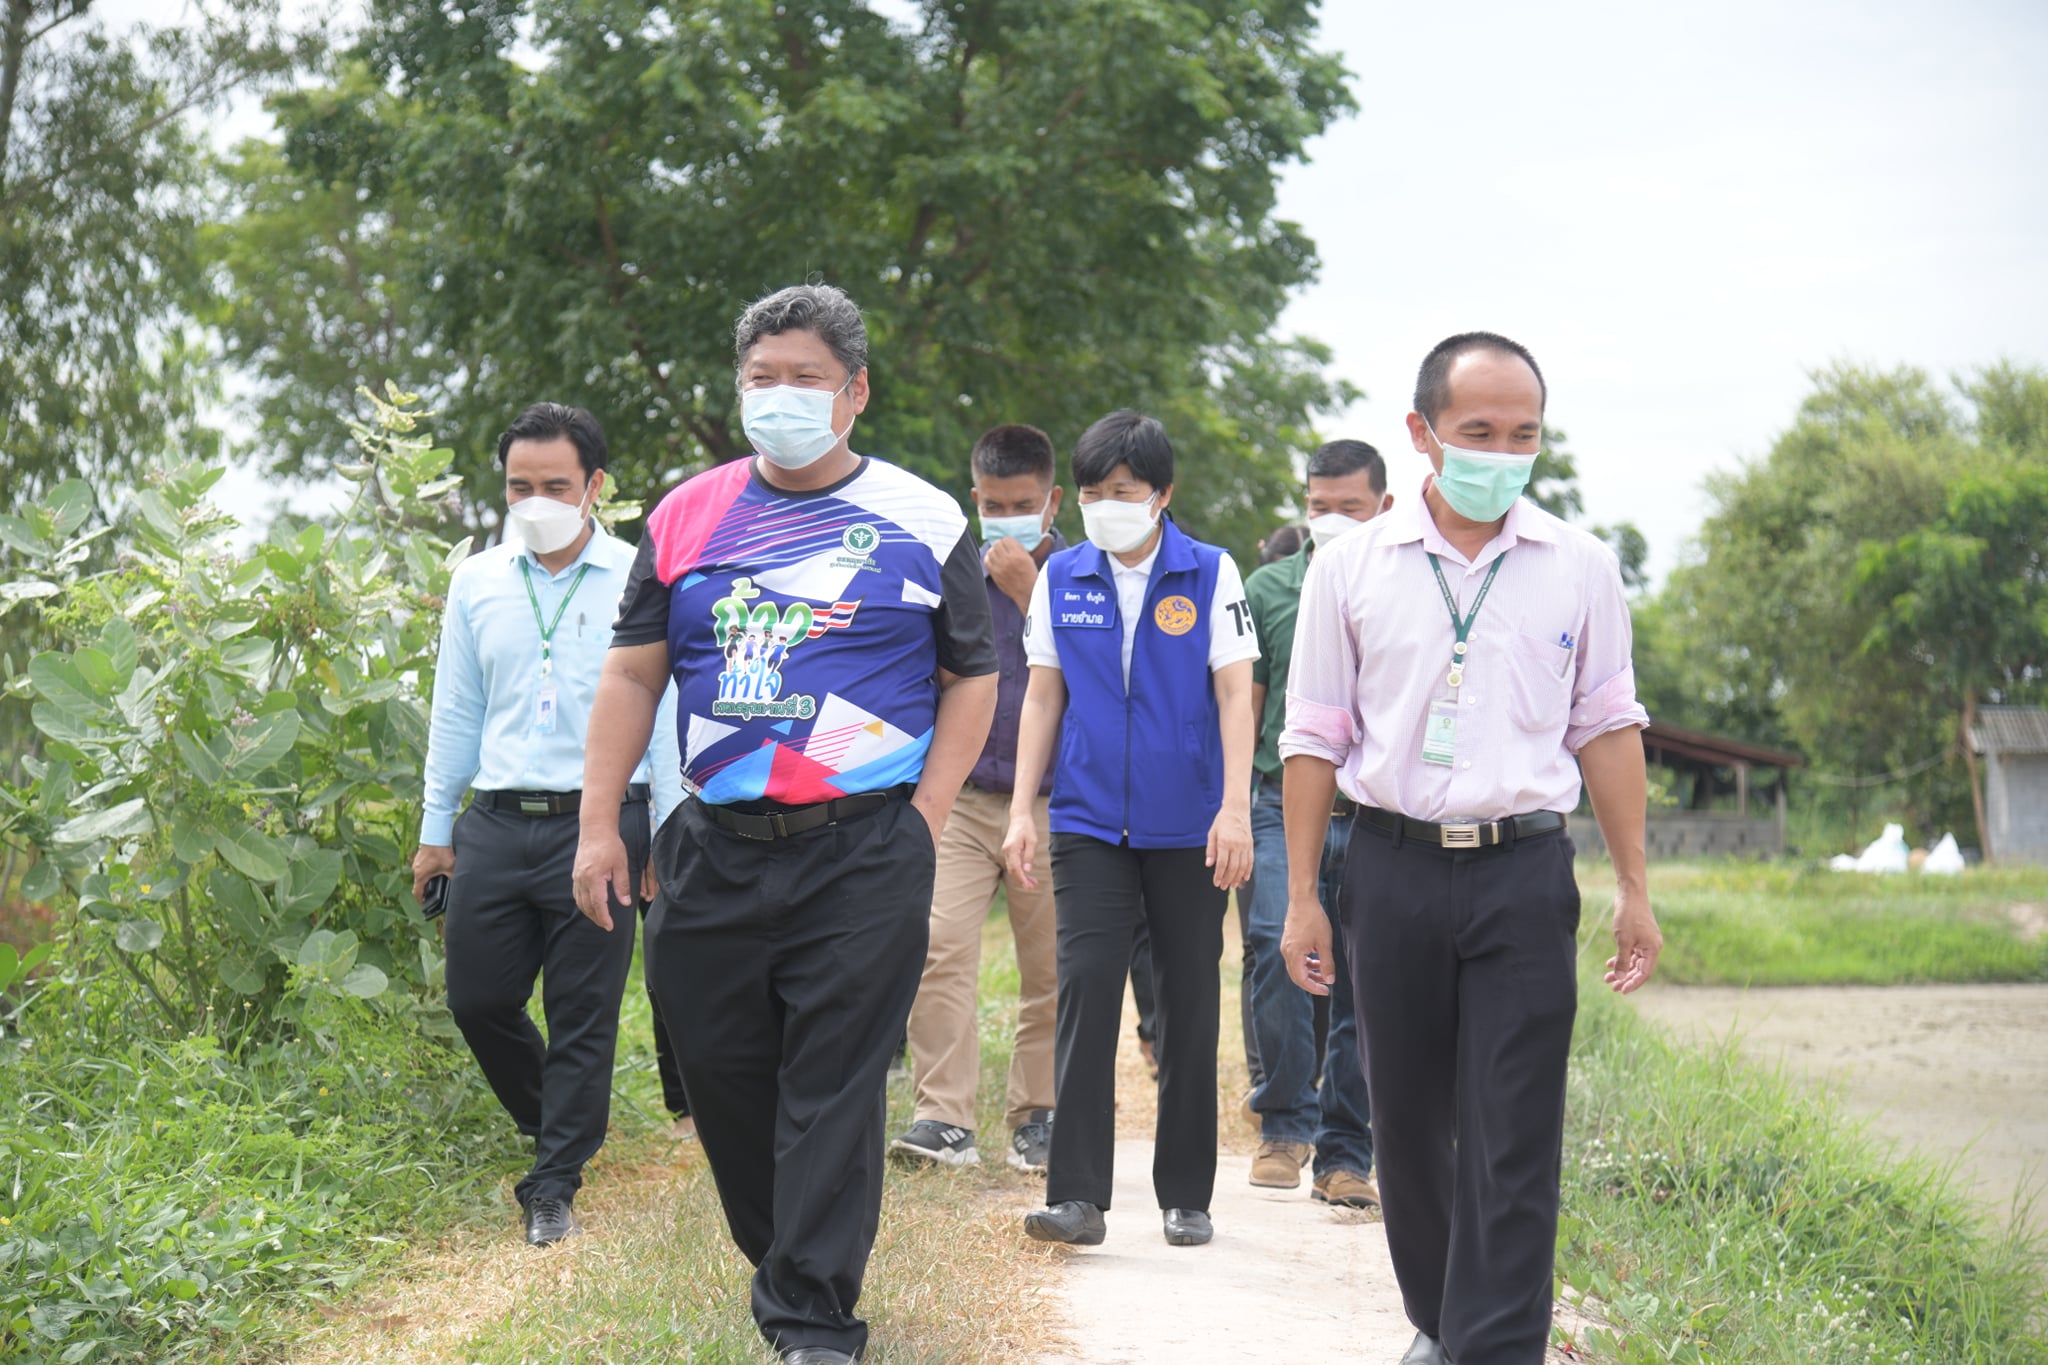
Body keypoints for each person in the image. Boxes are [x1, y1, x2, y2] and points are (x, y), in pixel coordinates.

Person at [571, 283, 997, 1365]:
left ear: (853, 393)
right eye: (761, 378)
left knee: (832, 1088)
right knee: (722, 1082)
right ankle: (787, 1262)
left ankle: (812, 1320)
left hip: (862, 851)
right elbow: (631, 675)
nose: (781, 397)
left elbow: (972, 677)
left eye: (805, 378)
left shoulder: (923, 517)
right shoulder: (684, 515)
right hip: (710, 847)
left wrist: (925, 817)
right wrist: (597, 825)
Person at [1279, 332, 1662, 1365]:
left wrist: (1633, 887)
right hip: (1390, 868)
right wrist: (1304, 896)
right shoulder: (1348, 566)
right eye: (1477, 431)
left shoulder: (1576, 567)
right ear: (1422, 435)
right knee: (1405, 1125)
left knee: (1513, 1128)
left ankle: (1494, 1347)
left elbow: (1607, 727)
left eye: (1522, 433)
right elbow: (1312, 736)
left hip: (1523, 871)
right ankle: (1444, 1321)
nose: (1502, 451)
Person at [410, 401, 682, 1248]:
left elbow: (666, 715)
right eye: (518, 486)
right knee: (479, 998)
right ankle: (560, 1122)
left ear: (594, 486)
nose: (535, 501)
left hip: (605, 820)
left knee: (582, 1010)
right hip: (495, 819)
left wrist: (664, 835)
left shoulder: (642, 577)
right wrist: (434, 827)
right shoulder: (477, 581)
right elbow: (455, 710)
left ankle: (554, 1180)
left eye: (555, 485)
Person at [1004, 409, 1258, 1250]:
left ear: (1162, 496)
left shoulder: (1211, 574)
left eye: (1123, 491)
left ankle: (1186, 1194)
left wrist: (1232, 808)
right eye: (1091, 492)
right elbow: (1043, 694)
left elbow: (1235, 694)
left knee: (1187, 1001)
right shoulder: (1062, 576)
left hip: (1189, 825)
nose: (1106, 506)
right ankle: (1077, 1196)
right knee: (1086, 992)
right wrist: (1021, 811)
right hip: (1086, 824)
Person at [892, 423, 1064, 1172]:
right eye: (993, 504)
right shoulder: (947, 568)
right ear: (974, 499)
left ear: (1053, 501)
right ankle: (944, 1116)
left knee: (1052, 964)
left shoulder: (1084, 576)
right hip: (961, 796)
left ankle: (1041, 1112)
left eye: (1023, 503)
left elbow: (1109, 686)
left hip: (1057, 798)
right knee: (937, 946)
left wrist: (1033, 594)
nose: (1006, 518)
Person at [1242, 440, 1392, 1207]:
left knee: (1364, 979)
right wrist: (1232, 801)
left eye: (1350, 508)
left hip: (1373, 810)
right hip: (1278, 801)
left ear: (1384, 508)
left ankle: (1345, 1151)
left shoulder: (1407, 589)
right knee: (1277, 946)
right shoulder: (1268, 586)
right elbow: (1249, 701)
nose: (1331, 520)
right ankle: (1285, 1123)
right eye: (1318, 507)